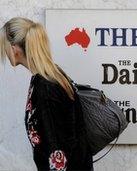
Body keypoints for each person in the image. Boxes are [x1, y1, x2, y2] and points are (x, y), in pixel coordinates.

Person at [0, 17, 94, 171]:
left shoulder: (45, 86)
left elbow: (57, 148)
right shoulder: (50, 77)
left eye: (3, 46)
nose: (3, 51)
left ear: (14, 48)